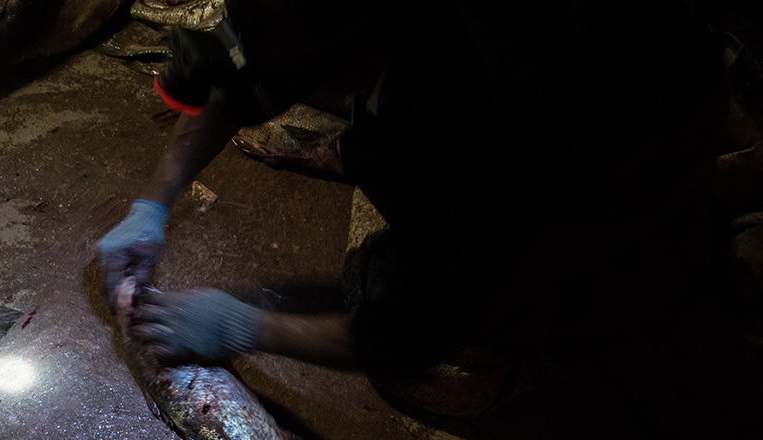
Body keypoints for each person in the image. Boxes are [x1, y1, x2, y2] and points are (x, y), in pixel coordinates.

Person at [97, 0, 728, 417]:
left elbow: (403, 338)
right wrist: (152, 205)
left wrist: (243, 326)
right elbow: (240, 70)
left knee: (442, 373)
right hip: (485, 94)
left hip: (637, 128)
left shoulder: (486, 116)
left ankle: (638, 276)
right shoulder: (339, 18)